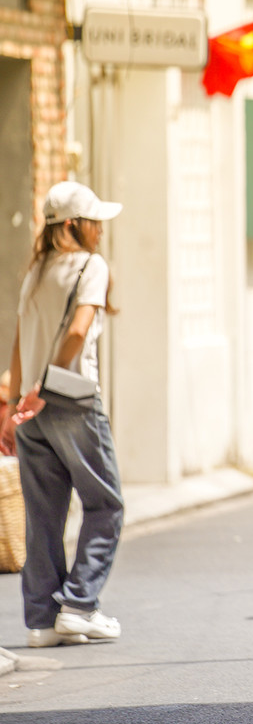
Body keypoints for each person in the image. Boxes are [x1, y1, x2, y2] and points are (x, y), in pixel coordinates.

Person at [0, 181, 124, 648]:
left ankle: (42, 619)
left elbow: (16, 340)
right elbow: (77, 332)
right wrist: (46, 388)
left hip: (32, 410)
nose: (100, 232)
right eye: (95, 222)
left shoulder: (35, 271)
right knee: (106, 504)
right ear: (74, 226)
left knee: (44, 514)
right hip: (68, 398)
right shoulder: (91, 266)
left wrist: (14, 404)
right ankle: (79, 605)